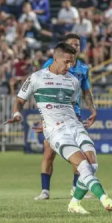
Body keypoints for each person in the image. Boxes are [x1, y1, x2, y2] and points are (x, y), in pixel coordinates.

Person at [5, 42, 112, 215]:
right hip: (56, 132)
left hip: (74, 125)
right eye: (66, 61)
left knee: (93, 164)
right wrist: (18, 114)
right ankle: (105, 199)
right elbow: (20, 100)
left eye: (72, 62)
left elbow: (68, 105)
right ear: (54, 59)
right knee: (82, 164)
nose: (69, 66)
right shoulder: (36, 78)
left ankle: (74, 203)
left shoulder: (72, 80)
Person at [32, 33, 97, 201]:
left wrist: (93, 109)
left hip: (74, 116)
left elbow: (86, 91)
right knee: (49, 153)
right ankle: (45, 191)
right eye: (72, 44)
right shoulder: (52, 64)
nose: (75, 47)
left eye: (77, 44)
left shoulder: (83, 68)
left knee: (80, 153)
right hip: (53, 116)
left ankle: (76, 188)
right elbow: (40, 86)